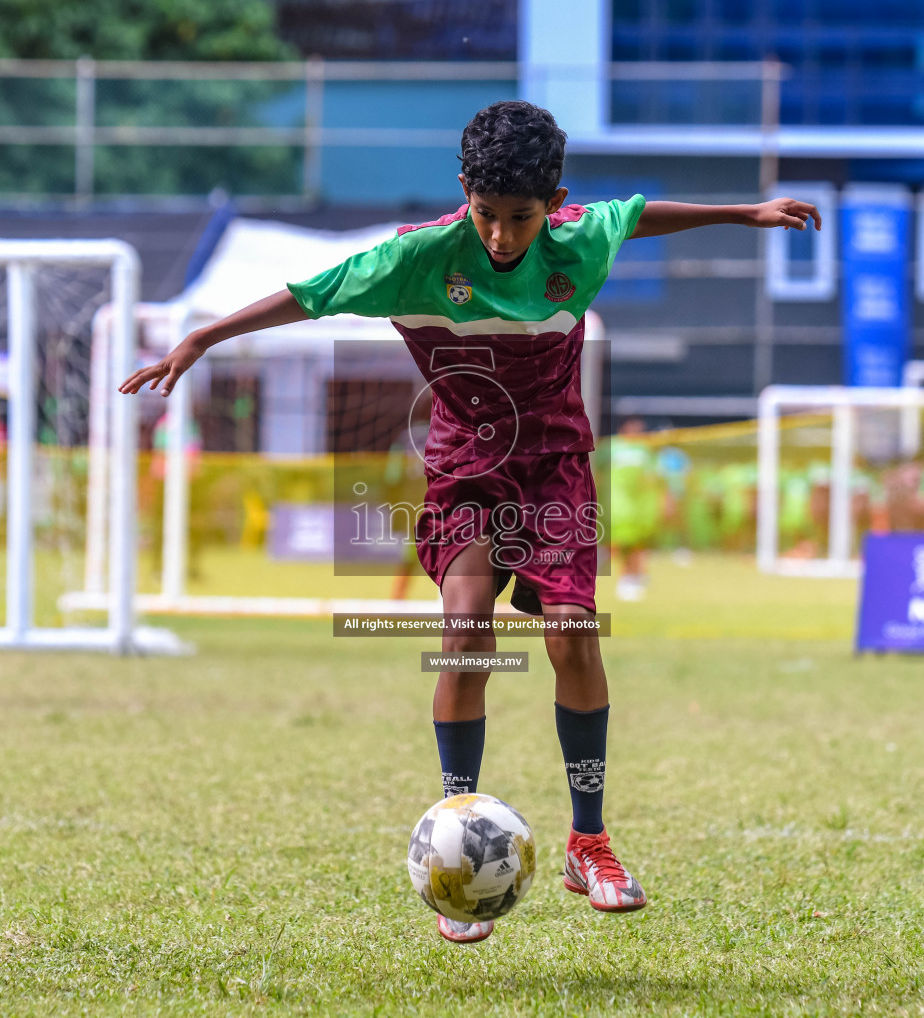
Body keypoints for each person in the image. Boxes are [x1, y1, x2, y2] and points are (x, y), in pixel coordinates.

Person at [119, 100, 821, 944]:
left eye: (519, 218)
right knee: (466, 635)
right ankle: (459, 849)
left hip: (557, 468)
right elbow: (309, 296)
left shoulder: (579, 240)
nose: (499, 235)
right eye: (486, 214)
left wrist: (744, 212)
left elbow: (637, 216)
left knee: (573, 633)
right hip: (465, 473)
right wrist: (204, 336)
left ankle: (588, 843)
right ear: (464, 192)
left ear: (554, 203)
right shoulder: (418, 257)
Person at [608, 417, 661, 602]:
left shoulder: (645, 450)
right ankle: (627, 578)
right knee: (620, 542)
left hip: (641, 505)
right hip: (618, 504)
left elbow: (653, 477)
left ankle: (634, 576)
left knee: (638, 542)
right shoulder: (611, 447)